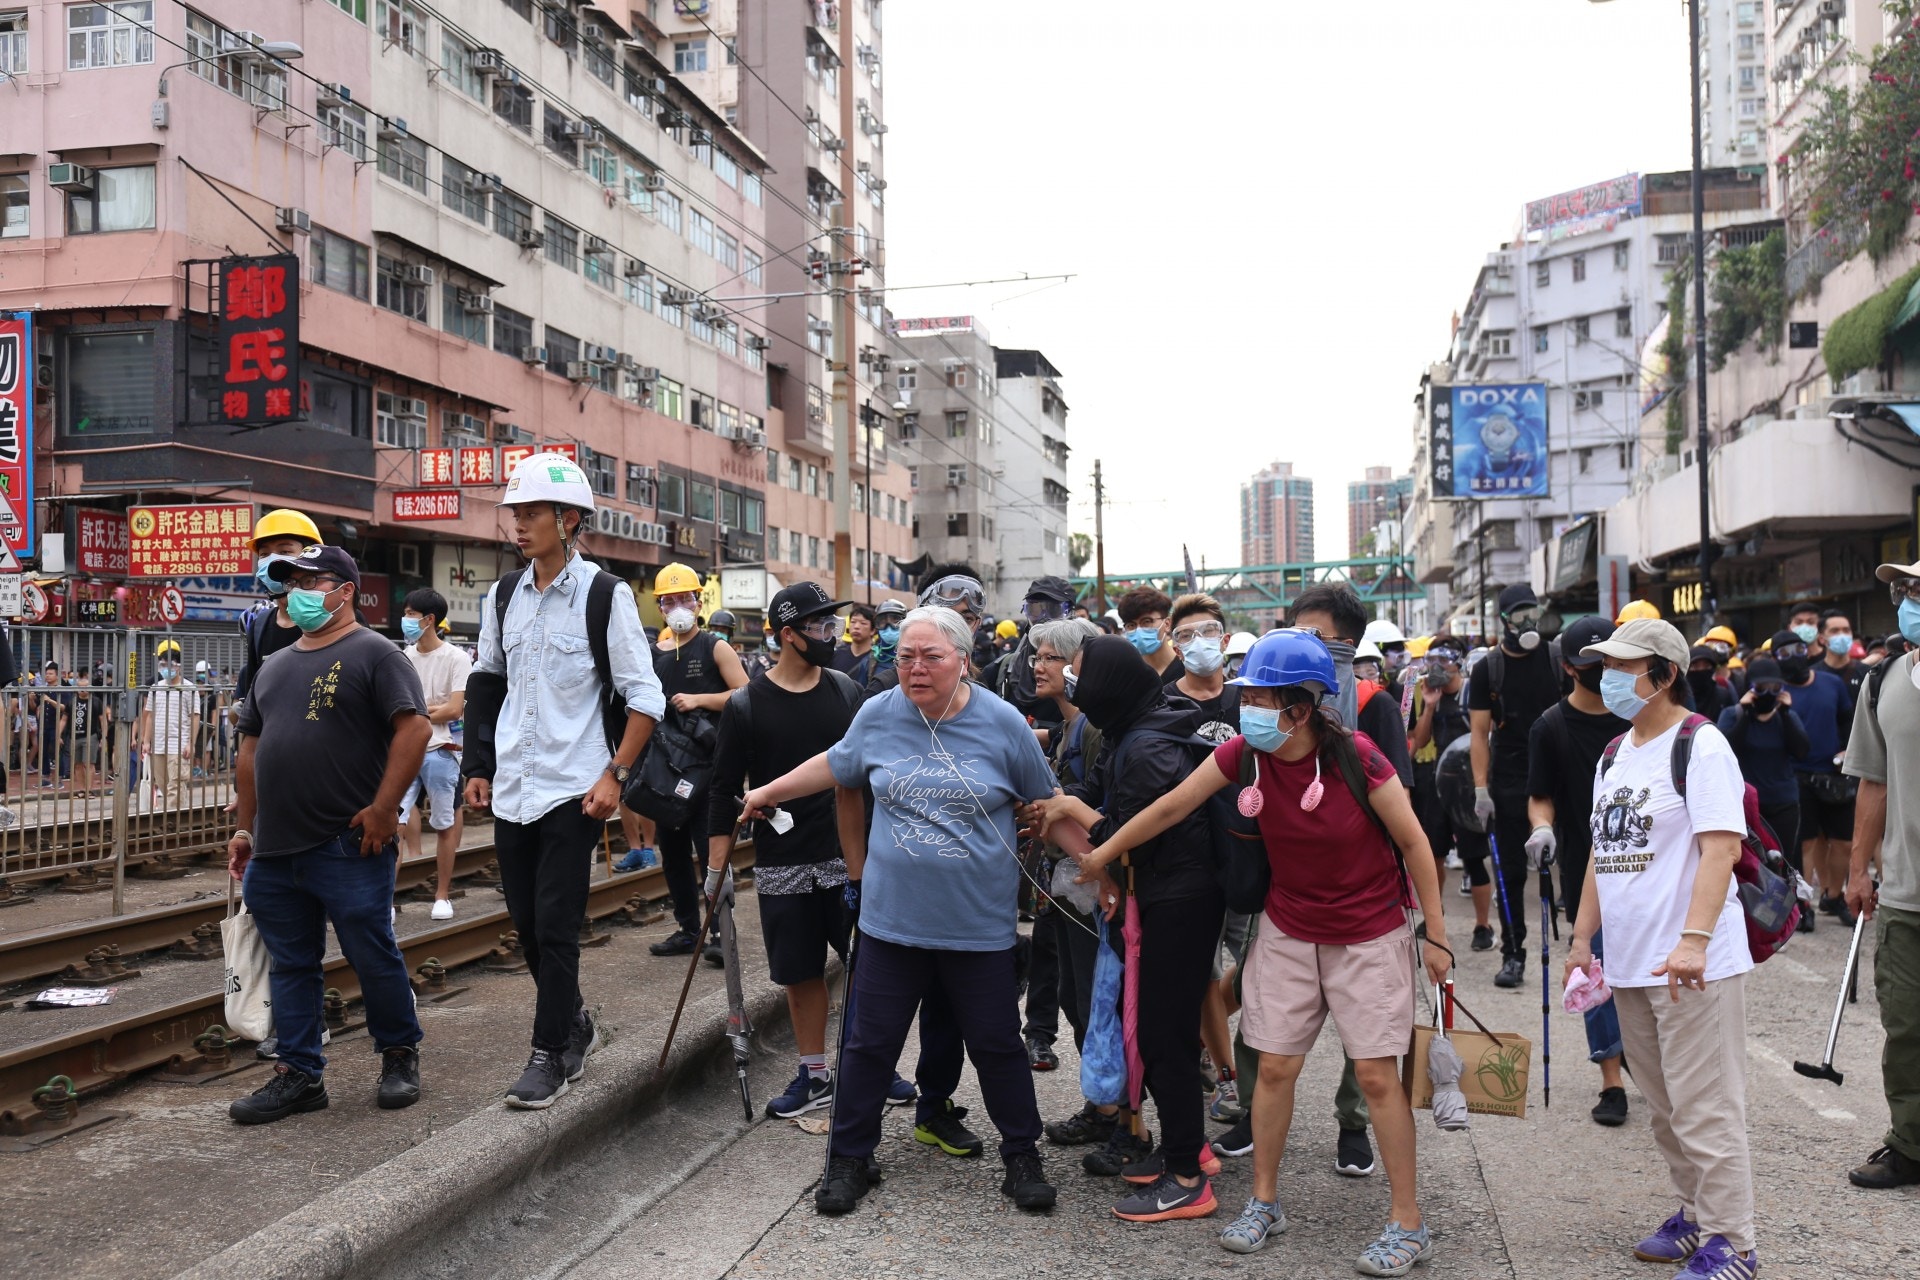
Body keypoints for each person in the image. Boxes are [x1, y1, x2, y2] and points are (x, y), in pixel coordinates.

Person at [1077, 629, 1450, 1271]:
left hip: (1368, 932)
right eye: (1245, 693)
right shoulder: (1245, 755)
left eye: (1258, 696)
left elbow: (1415, 844)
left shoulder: (1358, 758)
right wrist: (1102, 857)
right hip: (1287, 928)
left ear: (1300, 709)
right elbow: (1170, 807)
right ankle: (1264, 1202)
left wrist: (1437, 936)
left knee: (1376, 1076)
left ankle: (1407, 1222)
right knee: (1274, 1067)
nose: (1245, 707)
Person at [742, 606, 1060, 1216]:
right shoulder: (880, 713)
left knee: (997, 1045)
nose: (915, 668)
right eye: (905, 656)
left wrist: (1096, 864)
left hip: (978, 927)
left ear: (963, 660)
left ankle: (1022, 1154)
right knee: (867, 1046)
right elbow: (838, 765)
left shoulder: (1002, 725)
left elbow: (1046, 803)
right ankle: (849, 1160)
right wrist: (767, 791)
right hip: (891, 924)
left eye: (931, 657)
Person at [463, 453, 664, 1109]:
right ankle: (575, 1022)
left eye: (531, 513)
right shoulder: (502, 596)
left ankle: (550, 1055)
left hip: (576, 786)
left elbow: (645, 698)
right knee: (525, 923)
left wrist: (616, 774)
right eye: (514, 513)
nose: (518, 525)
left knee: (555, 923)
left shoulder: (606, 596)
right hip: (515, 785)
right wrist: (478, 765)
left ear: (569, 519)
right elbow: (487, 682)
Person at [1567, 617, 1758, 1276]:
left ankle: (1733, 1240)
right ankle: (1695, 1214)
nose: (1609, 679)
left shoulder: (1701, 746)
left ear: (1664, 674)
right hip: (1629, 963)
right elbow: (1602, 848)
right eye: (1605, 666)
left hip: (1691, 964)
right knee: (1667, 1107)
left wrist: (1694, 941)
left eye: (1623, 667)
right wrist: (1582, 938)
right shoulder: (1614, 754)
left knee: (1706, 1106)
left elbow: (1721, 848)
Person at [226, 544, 431, 1124]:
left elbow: (413, 730)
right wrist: (246, 827)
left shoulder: (374, 652)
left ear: (345, 590)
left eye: (314, 580)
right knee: (291, 963)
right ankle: (299, 1073)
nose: (300, 591)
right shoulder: (274, 665)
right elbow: (250, 749)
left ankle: (398, 1053)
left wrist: (385, 809)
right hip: (275, 846)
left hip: (347, 842)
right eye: (294, 582)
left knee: (371, 952)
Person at [1036, 635, 1228, 1223]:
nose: (1075, 686)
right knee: (1155, 1032)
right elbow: (1095, 795)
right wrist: (1063, 803)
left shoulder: (1148, 747)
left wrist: (1069, 812)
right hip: (1163, 895)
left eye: (1081, 676)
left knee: (1165, 1038)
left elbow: (1125, 835)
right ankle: (1186, 1148)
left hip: (1181, 900)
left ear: (1112, 685)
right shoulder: (1128, 729)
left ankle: (1187, 1180)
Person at [704, 583, 876, 1118]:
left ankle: (874, 1067)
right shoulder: (746, 704)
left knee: (868, 966)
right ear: (787, 635)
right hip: (782, 863)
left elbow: (870, 773)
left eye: (833, 626)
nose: (832, 636)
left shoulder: (848, 692)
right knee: (799, 973)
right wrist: (715, 872)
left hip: (850, 857)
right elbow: (722, 788)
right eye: (820, 628)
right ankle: (816, 1073)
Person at [1522, 615, 1631, 1127]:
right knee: (1596, 969)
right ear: (1569, 667)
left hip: (1654, 866)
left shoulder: (1642, 717)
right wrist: (1541, 828)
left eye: (1612, 658)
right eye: (1593, 662)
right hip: (1587, 867)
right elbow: (1540, 797)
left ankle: (1648, 1057)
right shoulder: (1551, 727)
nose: (1603, 669)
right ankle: (1611, 1078)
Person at [1840, 559, 1920, 1190]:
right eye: (1905, 590)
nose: (1909, 599)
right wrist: (1858, 867)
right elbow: (1874, 780)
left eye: (1919, 589)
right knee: (1905, 1029)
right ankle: (1910, 1144)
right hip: (1904, 895)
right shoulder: (1885, 677)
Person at [1021, 618, 1112, 1148]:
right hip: (1068, 884)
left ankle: (1116, 1112)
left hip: (1092, 884)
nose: (1039, 665)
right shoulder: (1070, 727)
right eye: (1038, 656)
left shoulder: (1094, 729)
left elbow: (1102, 810)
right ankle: (1101, 1104)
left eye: (1052, 657)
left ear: (1080, 667)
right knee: (1076, 998)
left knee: (1093, 1001)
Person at [645, 562, 749, 963]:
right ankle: (689, 929)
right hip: (666, 770)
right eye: (668, 601)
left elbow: (744, 693)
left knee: (712, 853)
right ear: (659, 606)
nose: (677, 606)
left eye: (684, 598)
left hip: (710, 768)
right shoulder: (655, 655)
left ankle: (722, 932)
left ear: (698, 601)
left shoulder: (714, 647)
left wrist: (699, 700)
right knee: (671, 852)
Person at [1468, 583, 1562, 987]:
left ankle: (1592, 948)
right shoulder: (1488, 668)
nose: (1528, 622)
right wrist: (1480, 789)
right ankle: (1513, 952)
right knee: (1509, 871)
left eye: (1532, 613)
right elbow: (1478, 734)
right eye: (1519, 615)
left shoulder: (1557, 658)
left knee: (1579, 861)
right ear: (1504, 620)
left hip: (1556, 771)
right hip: (1508, 777)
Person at [1410, 637, 1494, 950]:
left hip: (1469, 786)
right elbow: (1419, 740)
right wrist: (1429, 706)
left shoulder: (1472, 692)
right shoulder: (1429, 694)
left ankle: (1483, 926)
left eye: (1442, 661)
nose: (1435, 668)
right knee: (1433, 856)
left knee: (1473, 858)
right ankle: (1435, 916)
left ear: (1457, 662)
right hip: (1438, 782)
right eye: (1431, 660)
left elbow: (1486, 734)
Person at [1718, 655, 1810, 933]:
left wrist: (1782, 712)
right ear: (1750, 688)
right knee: (1750, 863)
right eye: (1761, 687)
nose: (1768, 694)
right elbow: (1726, 749)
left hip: (1783, 800)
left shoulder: (1787, 717)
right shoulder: (1733, 714)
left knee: (1784, 860)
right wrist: (1745, 714)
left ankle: (1794, 914)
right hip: (1746, 804)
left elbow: (1802, 749)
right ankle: (1752, 918)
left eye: (1774, 687)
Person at [1773, 627, 1858, 928]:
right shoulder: (1777, 691)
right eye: (1783, 653)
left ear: (1807, 650)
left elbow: (1848, 719)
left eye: (1797, 650)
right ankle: (1803, 904)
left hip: (1834, 773)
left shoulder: (1832, 684)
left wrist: (1848, 750)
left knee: (1844, 842)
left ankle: (1834, 896)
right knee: (1805, 844)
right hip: (1796, 774)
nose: (1793, 657)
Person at [398, 589, 472, 920]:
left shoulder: (457, 658)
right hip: (404, 750)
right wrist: (432, 709)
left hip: (442, 750)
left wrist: (421, 711)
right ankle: (386, 898)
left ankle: (442, 895)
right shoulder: (403, 657)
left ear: (430, 620)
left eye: (412, 614)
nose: (406, 619)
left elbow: (455, 710)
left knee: (444, 823)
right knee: (392, 824)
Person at [233, 508, 324, 721]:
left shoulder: (334, 617)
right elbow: (252, 706)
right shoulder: (259, 625)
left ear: (310, 555)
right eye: (264, 554)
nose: (273, 560)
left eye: (284, 552)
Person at [138, 639, 199, 814]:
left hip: (178, 746)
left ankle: (174, 820)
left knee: (176, 783)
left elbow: (195, 717)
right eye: (163, 664)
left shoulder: (189, 688)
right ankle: (174, 815)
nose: (166, 668)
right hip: (158, 745)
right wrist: (146, 741)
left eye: (170, 665)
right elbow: (149, 715)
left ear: (178, 666)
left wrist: (190, 743)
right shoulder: (156, 688)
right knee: (163, 783)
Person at [1117, 585, 1180, 682]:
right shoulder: (1125, 675)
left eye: (1146, 621)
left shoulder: (1187, 670)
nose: (1139, 630)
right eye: (1131, 625)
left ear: (1167, 624)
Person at [851, 598, 905, 689]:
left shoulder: (916, 659)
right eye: (883, 622)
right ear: (876, 625)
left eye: (895, 621)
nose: (889, 627)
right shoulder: (869, 662)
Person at [1819, 608, 1869, 702]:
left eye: (1846, 630)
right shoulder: (1814, 674)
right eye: (1835, 631)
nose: (1842, 635)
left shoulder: (1866, 672)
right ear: (1822, 639)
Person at [832, 604, 877, 677]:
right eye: (853, 622)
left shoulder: (877, 659)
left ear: (873, 630)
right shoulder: (835, 655)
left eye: (863, 623)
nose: (856, 627)